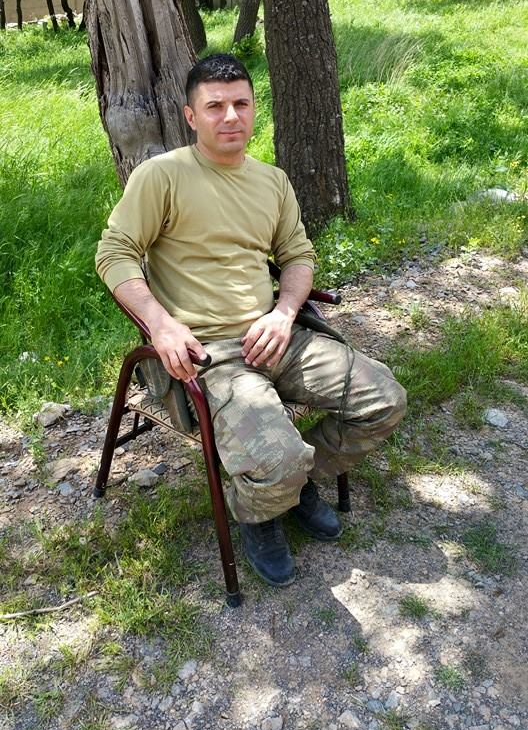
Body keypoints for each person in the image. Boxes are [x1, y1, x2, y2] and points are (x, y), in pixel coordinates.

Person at [96, 54, 406, 587]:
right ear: (191, 116)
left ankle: (292, 485)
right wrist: (161, 325)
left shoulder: (272, 182)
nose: (230, 116)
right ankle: (260, 512)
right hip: (208, 353)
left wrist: (285, 313)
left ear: (254, 109)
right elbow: (115, 252)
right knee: (275, 457)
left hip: (275, 334)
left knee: (385, 400)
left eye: (241, 103)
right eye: (214, 106)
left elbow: (297, 255)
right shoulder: (162, 176)